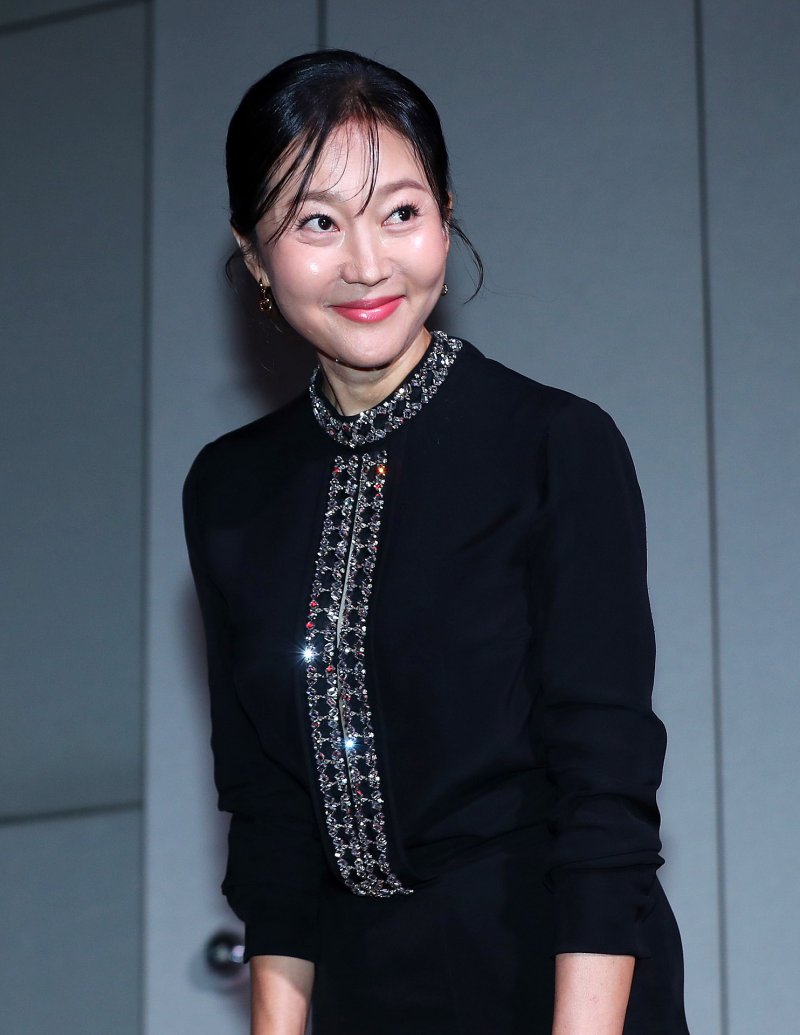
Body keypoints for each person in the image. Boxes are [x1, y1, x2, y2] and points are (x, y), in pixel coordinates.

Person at [183, 48, 690, 1035]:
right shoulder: (228, 490)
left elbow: (605, 795)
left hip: (557, 979)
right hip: (361, 994)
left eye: (400, 212)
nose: (367, 263)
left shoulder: (551, 444)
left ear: (446, 218)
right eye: (316, 223)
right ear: (253, 252)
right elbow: (268, 817)